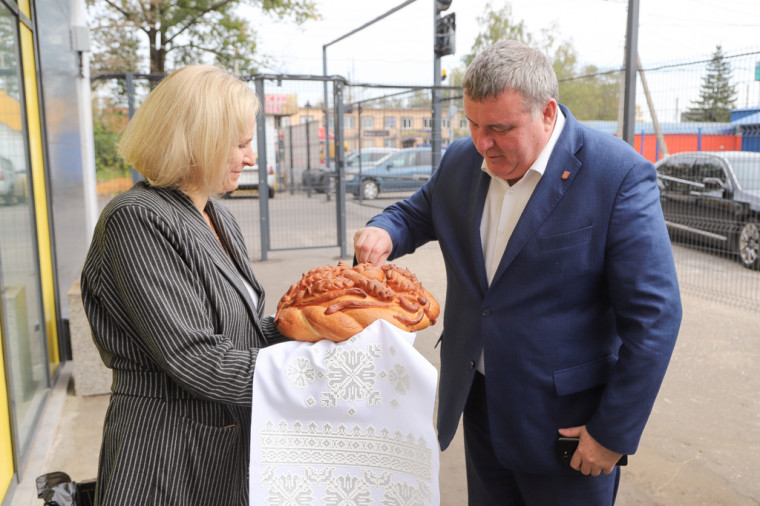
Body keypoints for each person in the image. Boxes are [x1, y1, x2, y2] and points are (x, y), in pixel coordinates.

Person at [354, 39, 682, 505]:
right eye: (472, 124)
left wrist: (612, 433)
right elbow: (414, 213)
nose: (482, 142)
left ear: (547, 113)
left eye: (499, 128)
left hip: (566, 429)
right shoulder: (461, 161)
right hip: (479, 404)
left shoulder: (617, 174)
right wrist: (383, 231)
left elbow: (656, 318)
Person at [81, 65, 289, 505]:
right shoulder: (136, 219)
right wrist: (312, 377)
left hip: (221, 448)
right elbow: (194, 357)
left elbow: (239, 332)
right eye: (241, 145)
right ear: (200, 142)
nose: (251, 159)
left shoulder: (217, 215)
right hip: (165, 457)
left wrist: (308, 329)